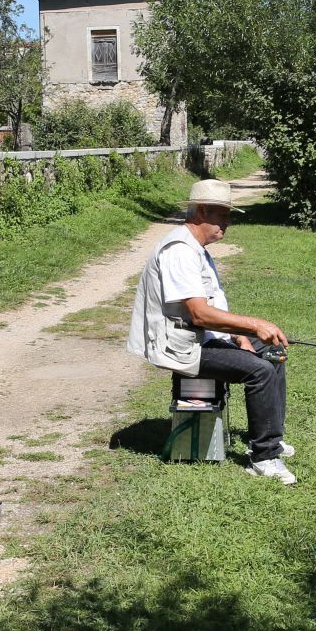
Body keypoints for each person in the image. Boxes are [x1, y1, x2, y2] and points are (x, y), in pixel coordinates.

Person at [128, 178, 296, 484]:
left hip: (200, 337)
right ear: (202, 211)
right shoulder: (180, 251)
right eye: (223, 215)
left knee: (272, 351)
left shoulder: (197, 248)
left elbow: (213, 305)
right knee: (259, 370)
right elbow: (199, 313)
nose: (228, 222)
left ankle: (271, 436)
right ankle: (264, 458)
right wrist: (255, 324)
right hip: (180, 347)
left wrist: (240, 336)